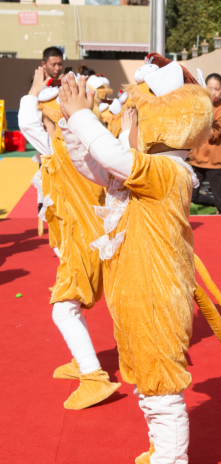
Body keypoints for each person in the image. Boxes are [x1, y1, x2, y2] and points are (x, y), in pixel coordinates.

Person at [59, 54, 221, 463]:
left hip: (156, 296)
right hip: (136, 292)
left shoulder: (168, 172)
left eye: (135, 123)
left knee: (162, 390)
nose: (125, 130)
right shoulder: (147, 171)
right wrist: (75, 126)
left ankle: (171, 459)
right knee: (149, 386)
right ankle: (160, 452)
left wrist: (81, 118)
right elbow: (96, 166)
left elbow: (112, 158)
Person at [19, 67, 120, 410]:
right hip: (94, 236)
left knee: (63, 309)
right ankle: (84, 361)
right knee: (80, 304)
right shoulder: (92, 142)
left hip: (83, 241)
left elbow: (27, 123)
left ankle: (93, 376)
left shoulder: (59, 148)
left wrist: (34, 88)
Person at [189, 73, 221, 214]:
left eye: (217, 89)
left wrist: (202, 115)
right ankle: (217, 202)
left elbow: (212, 133)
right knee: (191, 195)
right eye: (209, 88)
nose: (213, 93)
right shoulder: (198, 106)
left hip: (216, 163)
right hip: (197, 160)